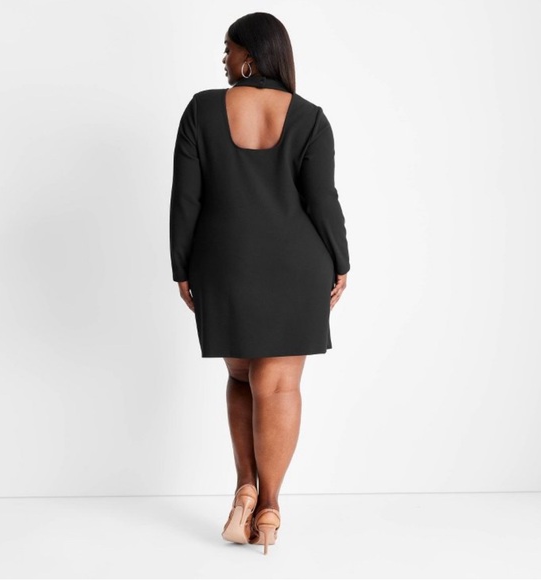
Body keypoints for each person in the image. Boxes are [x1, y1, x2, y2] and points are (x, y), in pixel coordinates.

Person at [169, 12, 350, 555]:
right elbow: (322, 201)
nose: (223, 58)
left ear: (250, 55)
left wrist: (182, 267)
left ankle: (244, 489)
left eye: (228, 49)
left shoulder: (201, 110)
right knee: (280, 387)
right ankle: (268, 508)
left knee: (242, 377)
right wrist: (341, 262)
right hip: (297, 266)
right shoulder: (310, 118)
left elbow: (186, 199)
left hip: (224, 264)